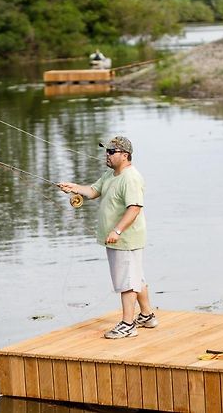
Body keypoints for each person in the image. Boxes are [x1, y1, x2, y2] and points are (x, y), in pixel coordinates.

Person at [58, 136, 157, 339]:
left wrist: (117, 230)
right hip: (118, 239)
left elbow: (134, 208)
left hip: (125, 239)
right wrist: (74, 187)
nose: (107, 155)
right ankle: (147, 316)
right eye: (107, 151)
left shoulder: (131, 178)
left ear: (125, 155)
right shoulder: (111, 175)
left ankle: (128, 324)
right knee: (136, 276)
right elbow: (94, 191)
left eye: (111, 152)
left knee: (127, 281)